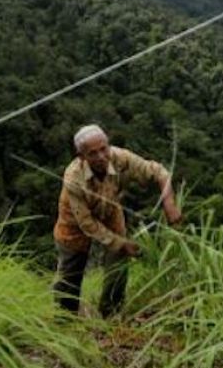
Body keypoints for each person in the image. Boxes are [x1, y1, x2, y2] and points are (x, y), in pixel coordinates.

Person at [52, 124, 181, 316]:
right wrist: (120, 243)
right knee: (71, 268)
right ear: (82, 156)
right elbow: (86, 224)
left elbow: (158, 171)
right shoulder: (74, 177)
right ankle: (65, 317)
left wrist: (169, 203)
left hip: (110, 211)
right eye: (93, 153)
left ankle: (110, 313)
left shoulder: (121, 158)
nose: (101, 157)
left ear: (108, 145)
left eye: (104, 149)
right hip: (74, 221)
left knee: (118, 262)